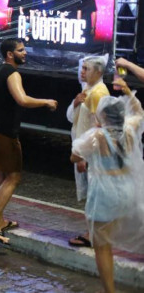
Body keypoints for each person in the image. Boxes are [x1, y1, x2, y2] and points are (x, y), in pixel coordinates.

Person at [0, 38, 57, 244]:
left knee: (1, 174)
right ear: (10, 54)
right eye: (21, 50)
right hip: (3, 132)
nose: (25, 53)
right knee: (13, 177)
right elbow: (22, 99)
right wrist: (46, 101)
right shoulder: (12, 73)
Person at [71, 77, 144, 293]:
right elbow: (139, 112)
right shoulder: (129, 130)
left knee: (101, 246)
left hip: (105, 193)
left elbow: (75, 157)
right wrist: (128, 91)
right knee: (109, 235)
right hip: (127, 191)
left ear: (102, 116)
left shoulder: (96, 136)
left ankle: (109, 291)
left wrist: (86, 154)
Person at [65, 56, 109, 248]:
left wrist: (83, 156)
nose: (82, 72)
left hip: (92, 154)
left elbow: (94, 127)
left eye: (86, 69)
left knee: (95, 196)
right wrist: (75, 103)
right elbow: (74, 119)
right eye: (82, 68)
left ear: (98, 72)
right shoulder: (88, 90)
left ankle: (93, 235)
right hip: (87, 151)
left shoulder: (98, 93)